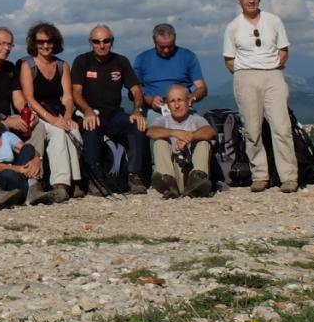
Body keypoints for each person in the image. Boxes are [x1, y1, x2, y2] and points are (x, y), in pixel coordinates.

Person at [223, 0, 296, 193]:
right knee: (252, 129)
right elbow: (229, 59)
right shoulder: (233, 26)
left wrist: (274, 66)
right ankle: (260, 175)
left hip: (273, 75)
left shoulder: (274, 21)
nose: (251, 1)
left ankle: (289, 177)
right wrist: (244, 73)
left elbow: (283, 49)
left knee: (282, 127)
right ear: (239, 0)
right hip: (246, 76)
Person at [71, 25, 148, 195]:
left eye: (106, 41)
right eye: (96, 41)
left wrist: (138, 110)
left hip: (114, 114)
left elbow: (136, 89)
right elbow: (75, 92)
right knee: (91, 127)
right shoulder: (82, 61)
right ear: (91, 43)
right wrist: (88, 111)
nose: (101, 45)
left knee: (136, 124)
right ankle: (95, 179)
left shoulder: (121, 61)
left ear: (112, 42)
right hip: (90, 113)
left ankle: (134, 175)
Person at [17, 22, 81, 203]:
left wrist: (68, 116)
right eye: (41, 42)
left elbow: (68, 96)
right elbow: (29, 98)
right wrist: (52, 120)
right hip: (39, 113)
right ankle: (60, 184)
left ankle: (75, 181)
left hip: (59, 111)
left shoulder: (62, 66)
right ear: (34, 43)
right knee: (58, 132)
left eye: (49, 42)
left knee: (73, 130)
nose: (45, 46)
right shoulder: (27, 65)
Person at [147, 84, 216, 198]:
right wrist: (174, 132)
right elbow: (151, 132)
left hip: (192, 170)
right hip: (175, 174)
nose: (177, 105)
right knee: (160, 142)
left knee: (203, 142)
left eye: (180, 100)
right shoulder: (162, 120)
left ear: (188, 101)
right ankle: (168, 183)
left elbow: (209, 131)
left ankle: (197, 180)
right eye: (172, 101)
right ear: (168, 105)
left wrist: (190, 137)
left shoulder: (196, 119)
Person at [134, 23, 208, 114]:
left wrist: (192, 97)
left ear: (175, 38)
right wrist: (151, 100)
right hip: (154, 110)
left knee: (204, 128)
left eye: (170, 46)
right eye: (162, 47)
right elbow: (135, 91)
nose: (166, 50)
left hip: (182, 109)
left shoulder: (188, 56)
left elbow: (202, 88)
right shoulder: (142, 59)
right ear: (154, 40)